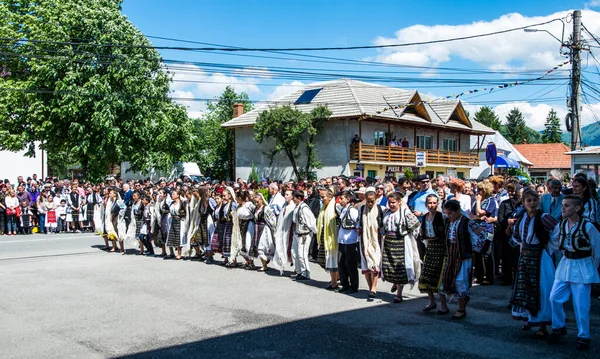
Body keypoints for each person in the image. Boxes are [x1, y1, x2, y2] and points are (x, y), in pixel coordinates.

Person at [547, 195, 600, 350]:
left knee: (581, 304)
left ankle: (583, 335)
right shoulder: (561, 225)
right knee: (554, 297)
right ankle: (559, 325)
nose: (563, 208)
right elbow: (553, 243)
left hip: (582, 265)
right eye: (563, 205)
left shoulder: (588, 226)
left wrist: (593, 267)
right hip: (566, 264)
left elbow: (597, 249)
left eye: (567, 206)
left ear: (577, 208)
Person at [509, 189, 557, 338]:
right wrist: (522, 246)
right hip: (525, 257)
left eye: (535, 200)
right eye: (529, 200)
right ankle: (531, 319)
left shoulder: (544, 217)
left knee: (542, 290)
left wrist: (548, 246)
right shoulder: (521, 217)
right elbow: (516, 236)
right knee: (526, 289)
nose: (532, 203)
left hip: (540, 257)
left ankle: (543, 325)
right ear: (523, 203)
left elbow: (557, 232)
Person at [440, 200, 482, 319]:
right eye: (447, 213)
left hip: (463, 256)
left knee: (460, 281)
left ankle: (461, 309)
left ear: (458, 211)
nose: (449, 216)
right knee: (447, 278)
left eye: (451, 213)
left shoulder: (466, 222)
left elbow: (482, 234)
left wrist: (474, 247)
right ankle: (455, 304)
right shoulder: (448, 222)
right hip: (451, 254)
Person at [382, 191, 421, 303]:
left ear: (399, 202)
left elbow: (416, 226)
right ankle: (395, 283)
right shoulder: (386, 213)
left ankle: (399, 294)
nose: (391, 205)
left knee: (400, 267)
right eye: (390, 203)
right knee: (390, 266)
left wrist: (409, 235)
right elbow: (382, 226)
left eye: (393, 202)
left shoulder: (405, 213)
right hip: (389, 242)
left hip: (401, 243)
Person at [418, 194, 448, 313]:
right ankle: (432, 301)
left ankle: (444, 306)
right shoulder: (425, 217)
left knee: (439, 277)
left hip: (440, 248)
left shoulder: (442, 217)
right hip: (430, 248)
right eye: (430, 203)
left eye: (435, 203)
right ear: (426, 205)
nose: (432, 205)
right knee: (426, 275)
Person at [358, 187, 383, 300]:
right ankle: (370, 289)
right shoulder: (361, 209)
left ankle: (374, 287)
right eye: (368, 201)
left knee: (375, 262)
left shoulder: (381, 209)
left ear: (376, 199)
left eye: (372, 201)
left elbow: (383, 224)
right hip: (364, 240)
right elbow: (358, 223)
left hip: (376, 240)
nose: (370, 203)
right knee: (366, 263)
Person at [472, 180, 498, 285]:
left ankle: (488, 277)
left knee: (487, 254)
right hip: (477, 231)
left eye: (480, 190)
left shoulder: (491, 201)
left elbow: (480, 212)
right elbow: (472, 214)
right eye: (477, 189)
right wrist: (477, 216)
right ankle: (479, 275)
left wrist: (478, 202)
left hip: (487, 231)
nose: (477, 191)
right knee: (477, 254)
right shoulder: (477, 201)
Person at [497, 184, 521, 285]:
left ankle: (517, 279)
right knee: (506, 257)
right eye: (510, 191)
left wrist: (515, 221)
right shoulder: (504, 204)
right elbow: (500, 219)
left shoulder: (522, 206)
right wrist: (508, 221)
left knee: (517, 258)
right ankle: (506, 278)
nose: (512, 193)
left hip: (518, 236)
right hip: (506, 235)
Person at [337, 190, 360, 294]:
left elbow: (358, 223)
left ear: (348, 199)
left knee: (350, 264)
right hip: (342, 240)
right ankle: (345, 284)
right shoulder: (343, 210)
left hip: (350, 240)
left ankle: (354, 286)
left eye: (342, 199)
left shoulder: (352, 211)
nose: (340, 200)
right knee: (341, 263)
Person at [291, 190, 317, 280]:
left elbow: (312, 222)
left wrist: (315, 232)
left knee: (302, 254)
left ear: (299, 198)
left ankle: (306, 273)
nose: (292, 199)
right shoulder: (297, 207)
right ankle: (299, 271)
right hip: (297, 233)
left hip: (304, 234)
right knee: (294, 253)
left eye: (293, 197)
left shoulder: (304, 208)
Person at [316, 188, 340, 290]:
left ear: (330, 197)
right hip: (324, 236)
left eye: (323, 197)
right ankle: (335, 279)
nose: (321, 199)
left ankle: (334, 282)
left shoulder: (335, 206)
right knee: (324, 259)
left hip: (332, 237)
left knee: (332, 259)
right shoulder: (324, 208)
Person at [250, 192, 276, 271]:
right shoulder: (256, 209)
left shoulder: (266, 208)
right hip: (257, 228)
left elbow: (272, 219)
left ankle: (265, 264)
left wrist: (271, 227)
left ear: (261, 200)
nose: (256, 203)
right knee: (257, 246)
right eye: (255, 202)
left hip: (264, 229)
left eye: (257, 201)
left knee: (262, 247)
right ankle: (264, 264)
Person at [273, 189, 296, 275]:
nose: (285, 196)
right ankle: (282, 264)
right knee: (282, 248)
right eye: (285, 194)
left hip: (290, 231)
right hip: (282, 231)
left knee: (291, 250)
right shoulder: (284, 205)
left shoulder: (293, 206)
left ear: (292, 196)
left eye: (287, 195)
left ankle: (296, 269)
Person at [230, 190, 255, 268]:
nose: (236, 200)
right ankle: (248, 261)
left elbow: (255, 212)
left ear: (240, 198)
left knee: (248, 243)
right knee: (241, 244)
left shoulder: (249, 205)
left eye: (237, 198)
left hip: (249, 224)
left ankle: (251, 262)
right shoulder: (239, 206)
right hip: (241, 225)